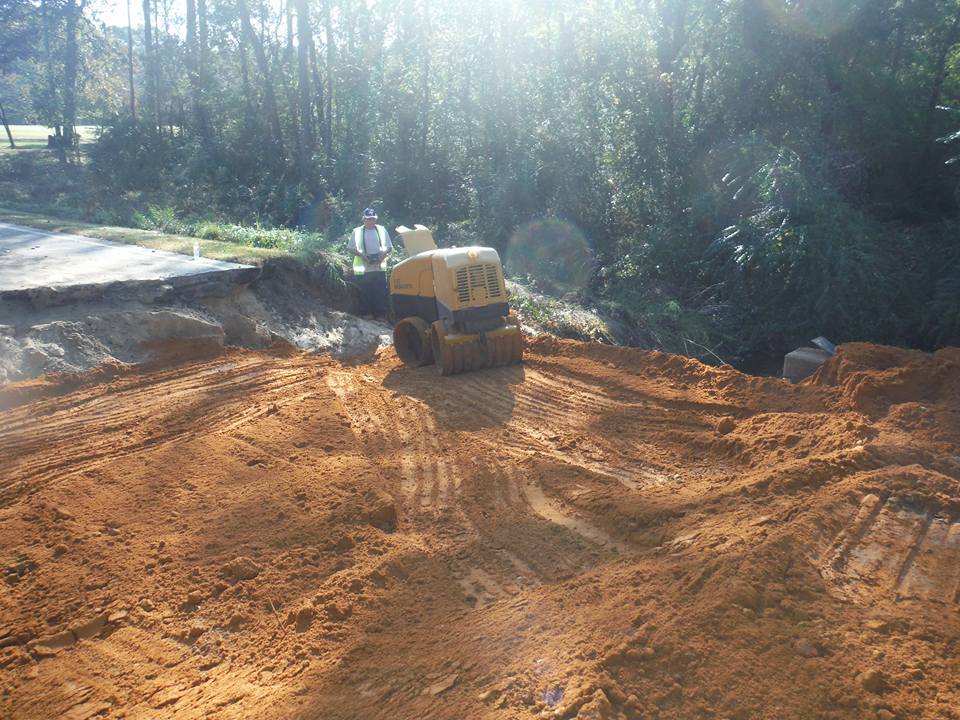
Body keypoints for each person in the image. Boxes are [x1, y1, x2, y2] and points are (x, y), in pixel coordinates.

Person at [349, 208, 393, 318]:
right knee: (365, 291)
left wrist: (382, 256)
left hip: (379, 267)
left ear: (376, 219)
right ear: (364, 219)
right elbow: (350, 248)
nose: (371, 221)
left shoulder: (382, 230)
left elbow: (389, 247)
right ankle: (367, 313)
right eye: (368, 219)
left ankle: (380, 315)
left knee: (380, 292)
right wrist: (363, 256)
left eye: (373, 219)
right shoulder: (357, 231)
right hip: (364, 269)